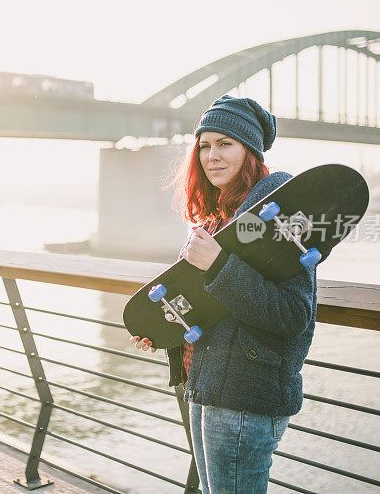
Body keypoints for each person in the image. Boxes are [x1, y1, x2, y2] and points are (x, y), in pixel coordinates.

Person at [130, 94, 317, 493]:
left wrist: (218, 264)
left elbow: (293, 314)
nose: (211, 156)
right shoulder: (218, 219)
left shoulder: (278, 214)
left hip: (245, 395)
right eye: (204, 145)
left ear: (249, 150)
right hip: (204, 383)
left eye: (225, 144)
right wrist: (164, 330)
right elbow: (210, 307)